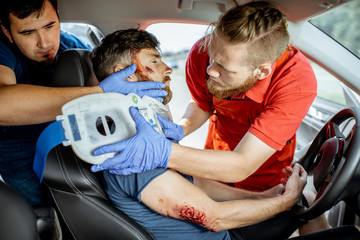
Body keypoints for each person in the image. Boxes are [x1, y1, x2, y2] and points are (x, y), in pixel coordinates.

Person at [91, 28, 309, 240]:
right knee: (307, 205)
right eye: (155, 62)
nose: (168, 68)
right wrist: (286, 201)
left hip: (226, 231)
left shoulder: (145, 136)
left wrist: (264, 197)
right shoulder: (131, 151)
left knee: (306, 203)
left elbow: (196, 183)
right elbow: (215, 218)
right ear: (124, 74)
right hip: (223, 231)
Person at [91, 2, 317, 192]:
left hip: (263, 164)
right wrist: (180, 129)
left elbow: (243, 163)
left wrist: (163, 152)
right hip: (215, 152)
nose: (210, 70)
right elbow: (202, 103)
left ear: (262, 71)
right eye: (212, 57)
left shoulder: (295, 82)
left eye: (223, 68)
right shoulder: (202, 52)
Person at [0, 0, 167, 206]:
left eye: (50, 26)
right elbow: (2, 104)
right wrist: (99, 92)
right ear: (7, 32)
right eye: (28, 33)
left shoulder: (74, 48)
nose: (44, 43)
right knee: (43, 213)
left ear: (59, 17)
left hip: (76, 139)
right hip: (18, 150)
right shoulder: (3, 52)